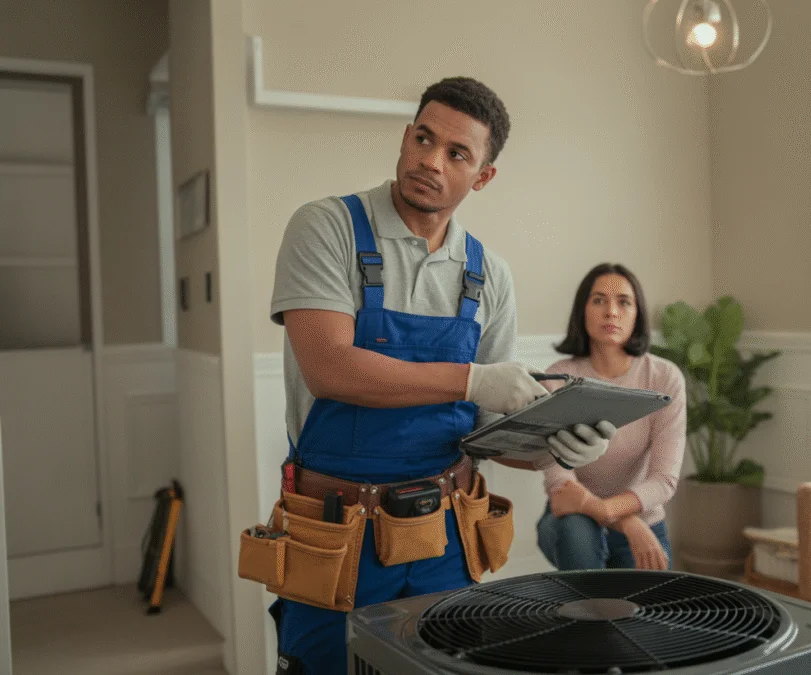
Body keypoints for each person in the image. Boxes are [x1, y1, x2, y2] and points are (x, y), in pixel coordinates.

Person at [261, 77, 617, 674]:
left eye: (456, 153)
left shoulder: (489, 275)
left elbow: (487, 434)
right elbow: (330, 369)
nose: (430, 160)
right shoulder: (327, 228)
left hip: (447, 536)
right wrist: (473, 379)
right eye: (423, 139)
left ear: (482, 177)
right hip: (336, 538)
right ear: (405, 138)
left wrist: (560, 448)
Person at [536, 263, 687, 571]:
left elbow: (664, 480)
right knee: (577, 530)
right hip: (572, 522)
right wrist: (624, 522)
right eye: (598, 300)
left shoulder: (663, 377)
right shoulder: (555, 379)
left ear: (637, 315)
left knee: (650, 617)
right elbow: (561, 483)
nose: (611, 312)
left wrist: (613, 513)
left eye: (624, 302)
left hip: (644, 522)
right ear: (583, 311)